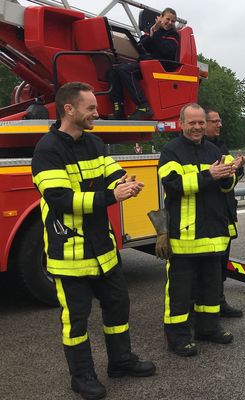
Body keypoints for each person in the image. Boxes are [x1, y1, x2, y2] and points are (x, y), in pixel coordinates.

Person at [31, 82, 154, 400]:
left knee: (117, 306)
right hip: (70, 256)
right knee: (76, 320)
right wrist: (112, 196)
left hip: (103, 251)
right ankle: (82, 377)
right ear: (68, 109)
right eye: (90, 108)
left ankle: (121, 362)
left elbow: (114, 173)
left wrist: (128, 181)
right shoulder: (47, 150)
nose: (97, 113)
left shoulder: (95, 143)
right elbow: (61, 199)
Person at [157, 103, 238, 357]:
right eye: (191, 123)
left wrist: (229, 174)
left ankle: (208, 328)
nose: (197, 127)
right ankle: (178, 337)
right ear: (181, 124)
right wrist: (210, 175)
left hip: (213, 235)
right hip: (185, 237)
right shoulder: (171, 151)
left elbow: (226, 188)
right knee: (180, 292)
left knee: (210, 287)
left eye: (201, 122)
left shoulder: (214, 149)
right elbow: (173, 184)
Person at [204, 108, 245, 318]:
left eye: (220, 121)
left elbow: (230, 182)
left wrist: (237, 168)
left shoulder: (221, 147)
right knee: (207, 269)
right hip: (209, 217)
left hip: (225, 214)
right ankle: (207, 307)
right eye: (215, 121)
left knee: (221, 265)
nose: (219, 124)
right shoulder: (201, 150)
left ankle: (219, 302)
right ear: (203, 124)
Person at [108, 7, 179, 120]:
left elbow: (165, 50)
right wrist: (152, 32)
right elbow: (140, 46)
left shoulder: (174, 35)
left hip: (162, 65)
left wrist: (155, 34)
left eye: (173, 21)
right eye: (168, 19)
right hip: (149, 63)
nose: (170, 23)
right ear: (160, 18)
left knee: (126, 70)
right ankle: (119, 109)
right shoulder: (153, 30)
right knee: (115, 69)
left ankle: (143, 107)